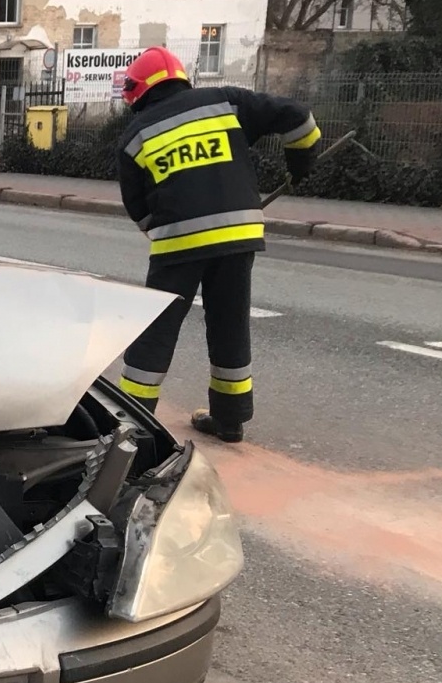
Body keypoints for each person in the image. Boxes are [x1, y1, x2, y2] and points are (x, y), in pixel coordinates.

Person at [113, 47, 320, 443]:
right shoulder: (227, 101)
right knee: (230, 323)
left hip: (178, 245)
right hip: (238, 236)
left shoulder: (135, 135)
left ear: (137, 93)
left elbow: (137, 207)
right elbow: (299, 119)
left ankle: (131, 426)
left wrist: (166, 230)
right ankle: (230, 420)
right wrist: (301, 164)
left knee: (156, 329)